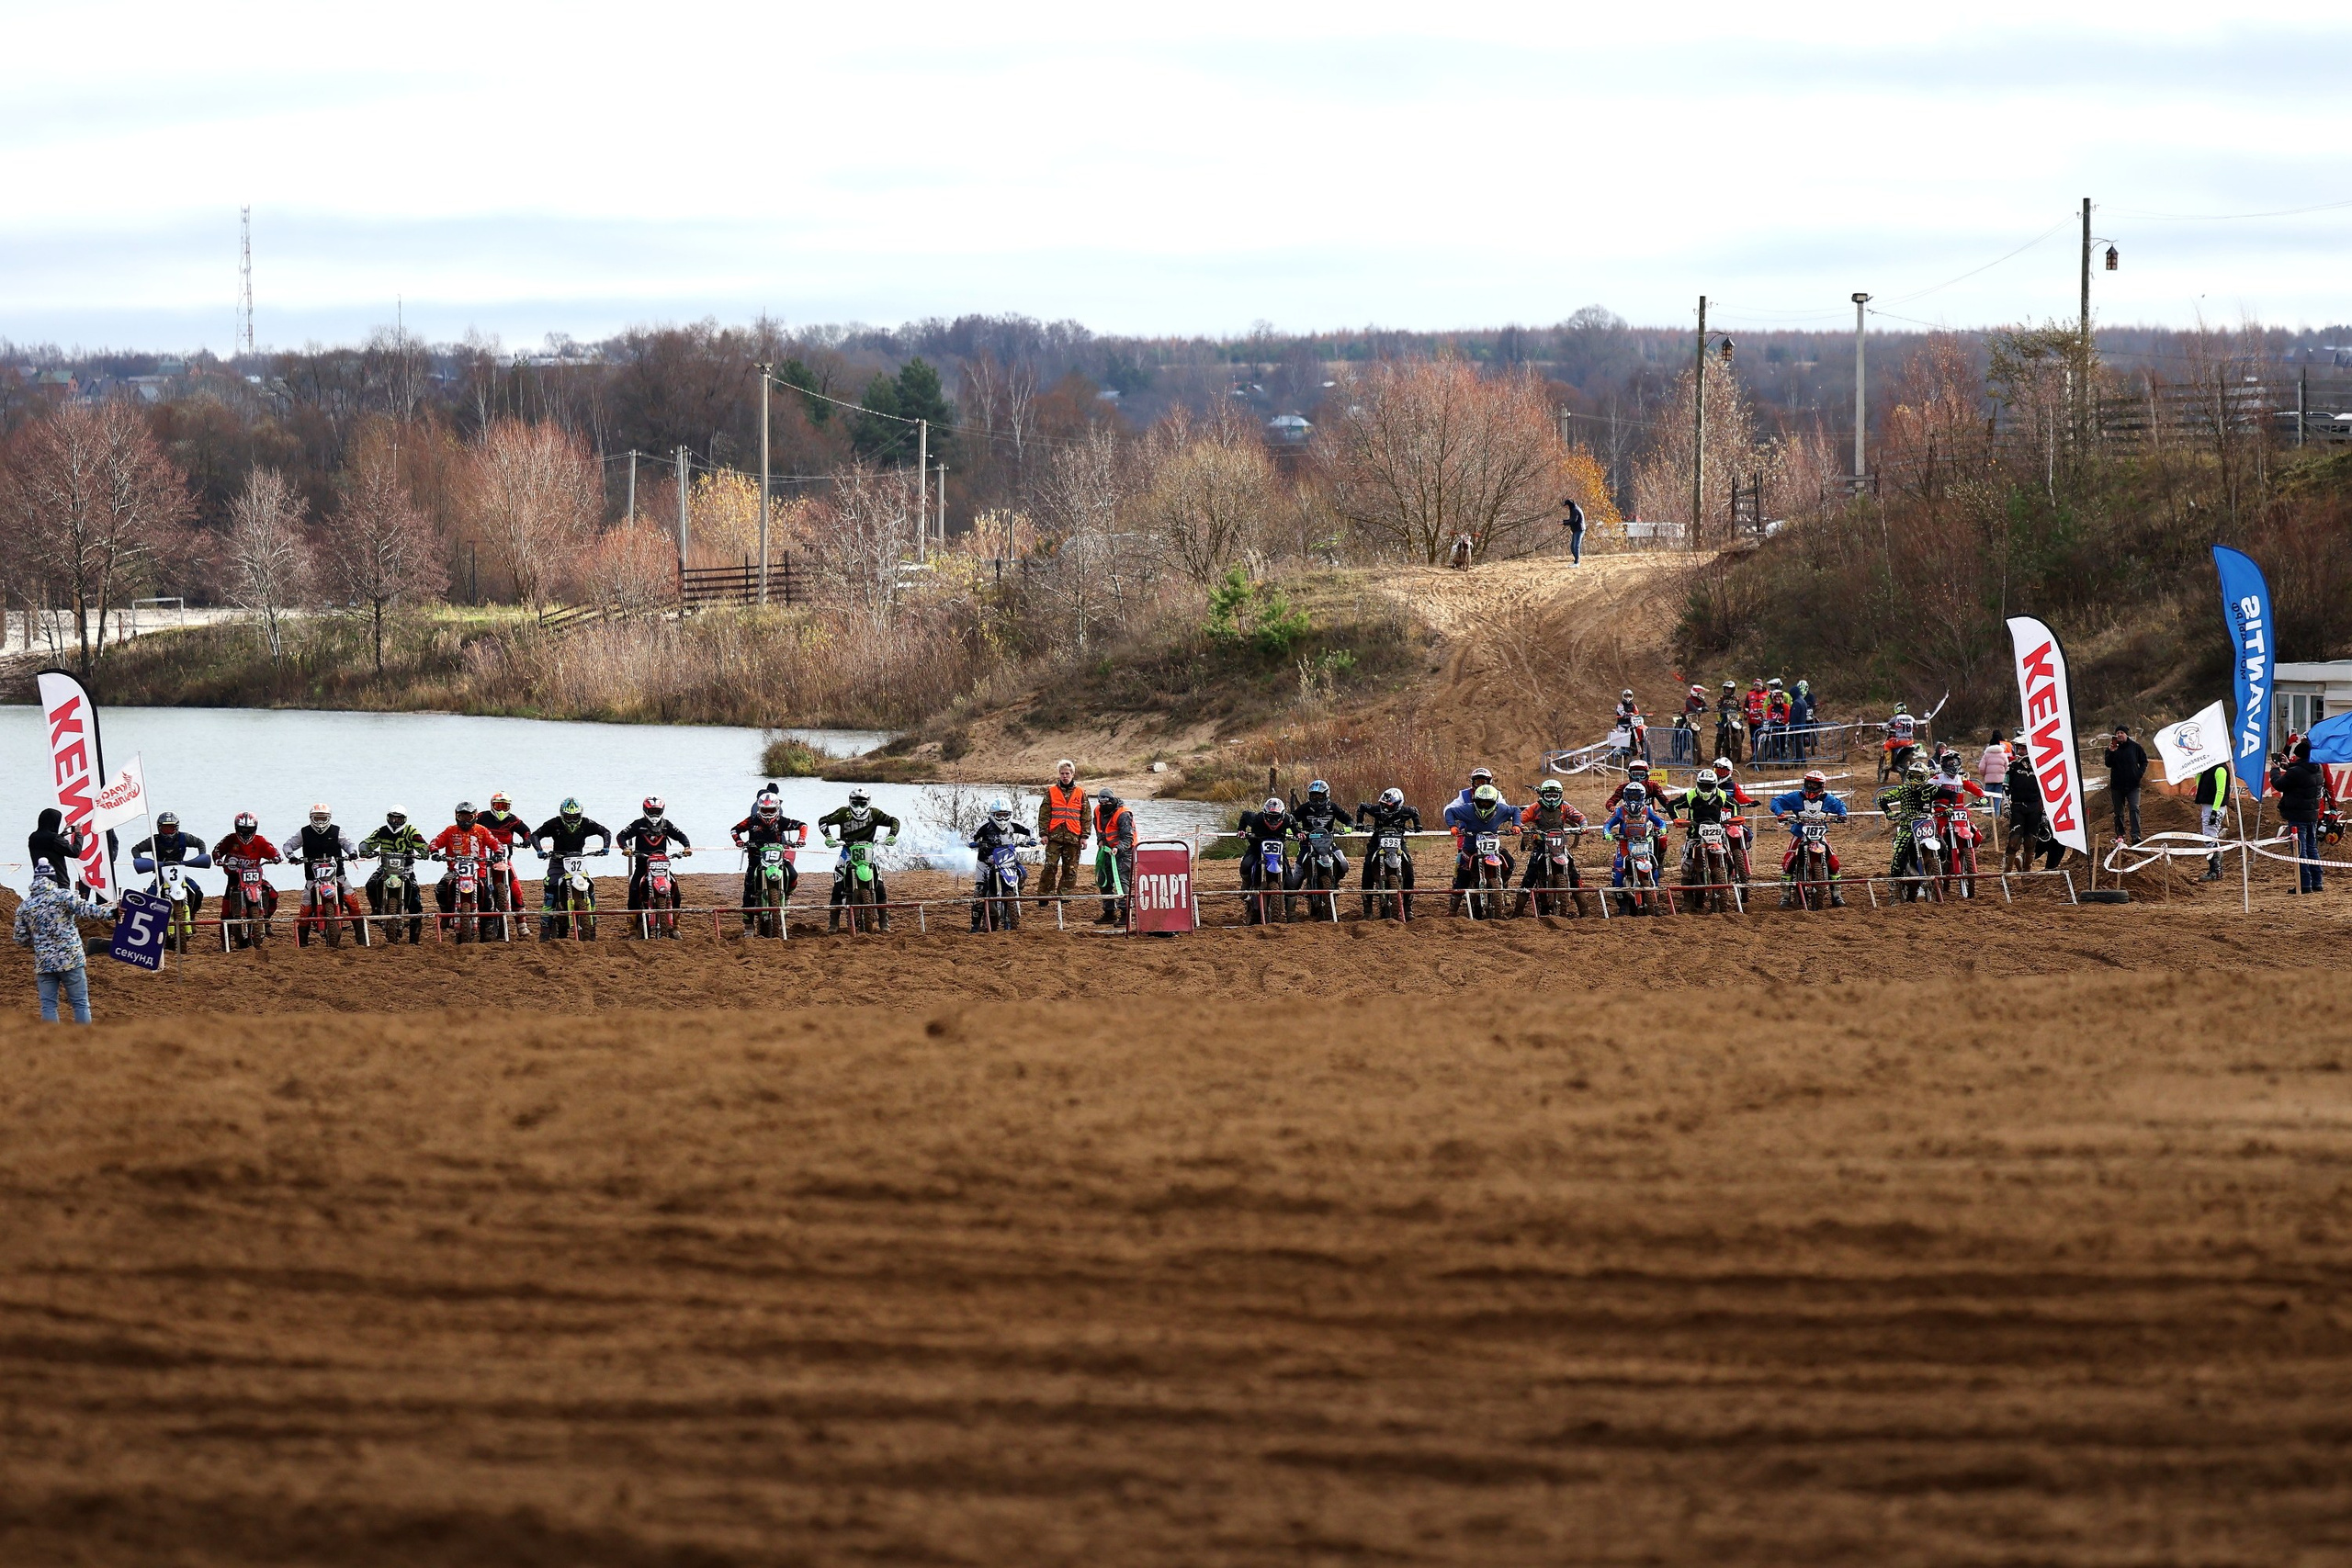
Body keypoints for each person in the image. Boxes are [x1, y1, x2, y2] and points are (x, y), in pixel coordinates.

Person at [13, 866, 107, 1023]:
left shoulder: (26, 906)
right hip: (71, 959)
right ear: (53, 879)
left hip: (44, 962)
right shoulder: (63, 896)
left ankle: (53, 1043)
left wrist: (38, 943)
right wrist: (112, 913)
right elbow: (89, 910)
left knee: (48, 1006)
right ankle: (86, 1043)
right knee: (80, 1004)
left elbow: (20, 938)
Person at [528, 798, 614, 938]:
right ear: (562, 815)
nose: (572, 821)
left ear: (580, 815)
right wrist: (540, 850)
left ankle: (592, 927)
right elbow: (535, 835)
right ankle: (545, 931)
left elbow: (605, 832)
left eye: (575, 817)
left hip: (578, 861)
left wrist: (605, 847)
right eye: (569, 817)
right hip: (558, 862)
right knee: (550, 891)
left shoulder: (586, 823)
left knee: (590, 888)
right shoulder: (554, 823)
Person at [816, 789, 897, 931]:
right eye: (856, 803)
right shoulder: (843, 813)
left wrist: (892, 835)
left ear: (868, 803)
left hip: (868, 851)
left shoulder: (875, 813)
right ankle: (833, 923)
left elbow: (893, 821)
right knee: (838, 885)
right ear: (850, 802)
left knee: (880, 885)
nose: (859, 807)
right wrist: (828, 837)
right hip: (847, 851)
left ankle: (884, 922)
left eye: (862, 803)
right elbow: (823, 821)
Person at [1770, 769, 1849, 906]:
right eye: (1809, 783)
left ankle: (1836, 895)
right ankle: (1785, 895)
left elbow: (1841, 805)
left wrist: (1842, 815)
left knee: (1834, 861)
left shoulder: (1828, 799)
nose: (1811, 787)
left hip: (1820, 835)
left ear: (1822, 786)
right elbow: (1776, 801)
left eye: (1815, 785)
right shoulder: (1796, 797)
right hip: (1800, 834)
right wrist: (1780, 814)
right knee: (1788, 860)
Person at [731, 791, 807, 931]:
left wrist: (801, 839)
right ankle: (748, 926)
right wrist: (739, 841)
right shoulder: (752, 820)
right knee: (748, 889)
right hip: (756, 858)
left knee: (793, 874)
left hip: (777, 858)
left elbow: (802, 825)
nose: (767, 813)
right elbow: (734, 830)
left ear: (777, 809)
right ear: (759, 809)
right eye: (764, 810)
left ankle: (788, 896)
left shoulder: (781, 821)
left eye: (770, 810)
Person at [1512, 778, 1588, 915]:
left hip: (1560, 844)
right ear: (1543, 796)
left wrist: (1583, 826)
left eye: (1555, 796)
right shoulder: (1536, 807)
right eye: (1549, 796)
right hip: (1542, 844)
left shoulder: (1564, 806)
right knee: (1530, 875)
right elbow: (1520, 818)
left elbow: (1580, 816)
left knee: (1574, 873)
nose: (1552, 799)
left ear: (1560, 795)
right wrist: (1519, 826)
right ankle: (1517, 912)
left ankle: (1584, 912)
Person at [359, 806, 432, 942]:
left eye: (399, 819)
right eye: (393, 818)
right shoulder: (382, 831)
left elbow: (422, 843)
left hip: (406, 868)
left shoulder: (411, 831)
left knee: (415, 895)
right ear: (388, 818)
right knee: (370, 884)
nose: (395, 821)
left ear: (404, 819)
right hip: (386, 867)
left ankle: (414, 935)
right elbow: (368, 841)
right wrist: (364, 849)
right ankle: (376, 908)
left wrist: (424, 851)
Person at [1445, 782, 1518, 914]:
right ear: (1475, 802)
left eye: (1487, 803)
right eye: (1481, 803)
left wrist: (1516, 824)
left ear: (1494, 802)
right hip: (1471, 847)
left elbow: (1515, 810)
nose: (1484, 806)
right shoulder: (1467, 809)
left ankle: (1504, 884)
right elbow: (1450, 811)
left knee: (1510, 863)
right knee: (1462, 876)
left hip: (1493, 847)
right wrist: (1453, 826)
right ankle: (1453, 908)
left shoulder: (1501, 809)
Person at [967, 796, 1035, 931]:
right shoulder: (984, 825)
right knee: (979, 891)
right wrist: (973, 843)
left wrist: (1032, 840)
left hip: (1008, 859)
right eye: (999, 815)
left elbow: (1030, 830)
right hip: (986, 861)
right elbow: (970, 835)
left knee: (1023, 874)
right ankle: (975, 925)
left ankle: (1017, 891)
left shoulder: (1014, 824)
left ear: (1010, 814)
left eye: (1005, 815)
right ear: (993, 815)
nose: (1003, 818)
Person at [429, 802, 503, 927]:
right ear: (456, 816)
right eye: (462, 817)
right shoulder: (450, 831)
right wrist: (435, 852)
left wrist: (498, 853)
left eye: (469, 817)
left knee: (487, 896)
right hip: (455, 871)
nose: (465, 821)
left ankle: (488, 923)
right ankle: (446, 915)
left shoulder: (481, 830)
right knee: (440, 889)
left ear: (474, 817)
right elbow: (435, 842)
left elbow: (496, 843)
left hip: (478, 871)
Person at [210, 812, 282, 937]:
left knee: (272, 895)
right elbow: (217, 851)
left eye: (248, 829)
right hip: (234, 877)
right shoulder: (230, 839)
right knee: (226, 910)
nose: (245, 832)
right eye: (242, 829)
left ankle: (266, 920)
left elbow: (273, 852)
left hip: (255, 876)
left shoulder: (260, 840)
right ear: (237, 828)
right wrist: (218, 860)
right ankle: (224, 939)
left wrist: (276, 858)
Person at [130, 810, 211, 920]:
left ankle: (192, 914)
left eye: (171, 828)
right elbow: (136, 849)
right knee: (150, 896)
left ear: (176, 828)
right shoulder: (154, 840)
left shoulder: (184, 837)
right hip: (161, 874)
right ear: (159, 828)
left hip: (180, 873)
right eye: (165, 828)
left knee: (197, 892)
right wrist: (143, 862)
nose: (168, 832)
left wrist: (201, 857)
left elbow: (200, 843)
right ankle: (152, 921)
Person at [291, 803, 361, 931]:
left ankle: (360, 935)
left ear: (329, 818)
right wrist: (291, 856)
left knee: (351, 900)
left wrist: (352, 853)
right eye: (317, 818)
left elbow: (348, 843)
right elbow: (289, 844)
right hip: (313, 877)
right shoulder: (304, 832)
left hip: (337, 875)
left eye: (323, 818)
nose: (320, 821)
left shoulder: (337, 831)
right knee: (305, 906)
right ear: (311, 818)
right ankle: (303, 940)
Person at [1354, 786, 1422, 918]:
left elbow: (1414, 812)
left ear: (1398, 805)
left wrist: (1417, 824)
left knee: (1409, 869)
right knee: (1368, 868)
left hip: (1398, 840)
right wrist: (1360, 823)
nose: (1386, 808)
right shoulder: (1376, 810)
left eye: (1390, 806)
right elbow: (1362, 806)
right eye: (1384, 805)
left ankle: (1408, 908)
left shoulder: (1405, 811)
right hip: (1377, 840)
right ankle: (1367, 910)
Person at [1877, 756, 1939, 892]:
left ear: (1926, 778)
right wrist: (1889, 813)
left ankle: (1941, 871)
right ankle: (1893, 889)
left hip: (1925, 826)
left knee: (1943, 845)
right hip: (1907, 827)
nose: (1915, 781)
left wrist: (1947, 807)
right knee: (1898, 856)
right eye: (1913, 777)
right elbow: (1882, 798)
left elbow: (1945, 796)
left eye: (1919, 777)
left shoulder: (1930, 789)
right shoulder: (1903, 790)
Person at [1035, 760, 1090, 909]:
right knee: (1050, 866)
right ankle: (1044, 896)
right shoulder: (1051, 791)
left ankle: (1065, 895)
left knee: (1070, 869)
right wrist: (1043, 833)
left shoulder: (1081, 792)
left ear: (1073, 774)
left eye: (1067, 773)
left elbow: (1086, 816)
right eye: (1062, 773)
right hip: (1054, 837)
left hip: (1073, 836)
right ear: (1059, 775)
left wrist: (1085, 836)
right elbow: (1044, 814)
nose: (1065, 776)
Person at [1602, 781, 1672, 895]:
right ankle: (1622, 906)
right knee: (1619, 870)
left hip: (1643, 843)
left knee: (1654, 868)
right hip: (1625, 843)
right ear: (1625, 798)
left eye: (1636, 797)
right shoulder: (1620, 811)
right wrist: (1607, 833)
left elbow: (1660, 822)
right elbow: (1608, 824)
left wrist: (1662, 828)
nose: (1633, 800)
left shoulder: (1648, 810)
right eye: (1630, 797)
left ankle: (1655, 898)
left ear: (1642, 797)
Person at [2274, 739, 2325, 895]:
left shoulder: (2296, 772)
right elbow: (2300, 772)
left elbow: (2279, 784)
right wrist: (2288, 765)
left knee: (2299, 850)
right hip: (2311, 814)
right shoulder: (2317, 768)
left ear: (2299, 756)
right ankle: (2317, 882)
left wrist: (2275, 771)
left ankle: (2304, 884)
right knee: (2312, 848)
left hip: (2297, 815)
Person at [1237, 795, 1296, 923]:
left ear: (1282, 815)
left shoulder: (1287, 819)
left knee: (1290, 881)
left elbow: (1294, 825)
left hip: (1278, 851)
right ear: (1265, 814)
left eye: (1276, 817)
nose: (1273, 820)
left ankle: (1291, 914)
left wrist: (1298, 833)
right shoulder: (1256, 819)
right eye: (1270, 817)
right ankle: (1245, 887)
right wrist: (1241, 830)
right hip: (1257, 847)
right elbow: (1245, 815)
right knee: (1246, 865)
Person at [477, 790, 533, 919]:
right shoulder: (481, 817)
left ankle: (521, 922)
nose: (501, 810)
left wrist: (526, 840)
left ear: (509, 807)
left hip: (504, 859)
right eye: (498, 806)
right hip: (484, 858)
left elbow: (526, 830)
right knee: (475, 883)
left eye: (504, 806)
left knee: (515, 887)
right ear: (492, 805)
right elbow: (471, 828)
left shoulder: (513, 820)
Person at [1093, 786, 1137, 925]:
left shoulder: (1123, 814)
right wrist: (1100, 840)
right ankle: (1109, 912)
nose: (1105, 806)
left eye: (1107, 803)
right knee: (1103, 880)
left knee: (1122, 881)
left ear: (1112, 801)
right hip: (1106, 850)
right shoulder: (1098, 811)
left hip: (1125, 852)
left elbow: (1128, 838)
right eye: (1102, 803)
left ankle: (1126, 914)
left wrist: (1118, 848)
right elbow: (1099, 828)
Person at [2104, 726, 2148, 845]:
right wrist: (2111, 752)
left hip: (2133, 785)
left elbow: (2144, 761)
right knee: (2118, 812)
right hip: (2117, 786)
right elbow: (2108, 764)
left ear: (2126, 734)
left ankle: (2136, 835)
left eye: (2121, 732)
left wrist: (2139, 773)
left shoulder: (2135, 747)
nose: (2119, 735)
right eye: (2117, 733)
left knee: (2134, 809)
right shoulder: (2111, 748)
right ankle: (2120, 835)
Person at [28, 807, 88, 892]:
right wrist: (78, 834)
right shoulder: (54, 839)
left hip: (40, 883)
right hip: (59, 884)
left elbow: (48, 846)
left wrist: (61, 835)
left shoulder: (33, 837)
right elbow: (75, 852)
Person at [2194, 761, 2231, 883]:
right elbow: (2201, 789)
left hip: (2214, 808)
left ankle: (2216, 871)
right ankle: (2216, 869)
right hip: (2208, 807)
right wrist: (2198, 774)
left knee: (2210, 838)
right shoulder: (2208, 769)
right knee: (2209, 838)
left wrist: (2214, 811)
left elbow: (2220, 791)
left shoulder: (2220, 769)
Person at [1978, 731, 2011, 813]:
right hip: (2000, 780)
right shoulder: (2003, 755)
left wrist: (1985, 775)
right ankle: (1996, 815)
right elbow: (2007, 768)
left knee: (1988, 798)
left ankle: (1987, 816)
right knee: (1997, 799)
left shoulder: (1986, 755)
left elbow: (1981, 768)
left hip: (1989, 781)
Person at [1764, 678, 1792, 764]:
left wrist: (1784, 720)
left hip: (1783, 724)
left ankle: (1784, 752)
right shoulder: (1769, 701)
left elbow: (1789, 711)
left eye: (1773, 686)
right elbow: (1766, 710)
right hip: (1773, 723)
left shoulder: (1786, 698)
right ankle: (1762, 753)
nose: (1771, 688)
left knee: (1783, 737)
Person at [1714, 680, 1743, 765]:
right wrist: (1718, 710)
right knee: (1720, 734)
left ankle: (1737, 745)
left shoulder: (1736, 699)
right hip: (1724, 718)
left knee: (1742, 730)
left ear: (1733, 690)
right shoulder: (1722, 698)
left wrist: (1742, 711)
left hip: (1734, 718)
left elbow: (1740, 708)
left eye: (1729, 689)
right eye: (1726, 689)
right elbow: (1717, 706)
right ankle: (1717, 753)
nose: (1728, 691)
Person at [1788, 680, 1817, 761]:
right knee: (1799, 743)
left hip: (1797, 727)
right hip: (1802, 725)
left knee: (1798, 744)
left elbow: (1794, 716)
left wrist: (1791, 727)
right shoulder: (1802, 700)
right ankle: (1802, 760)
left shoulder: (1797, 703)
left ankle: (1800, 760)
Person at [1563, 495, 1586, 564]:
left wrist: (1563, 523)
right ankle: (1576, 560)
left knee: (1576, 546)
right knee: (1572, 547)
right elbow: (1571, 519)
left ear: (1569, 505)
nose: (1566, 508)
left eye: (1566, 506)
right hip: (1576, 530)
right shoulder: (1574, 509)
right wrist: (1563, 521)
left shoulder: (1575, 510)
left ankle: (1577, 562)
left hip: (1579, 529)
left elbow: (1573, 521)